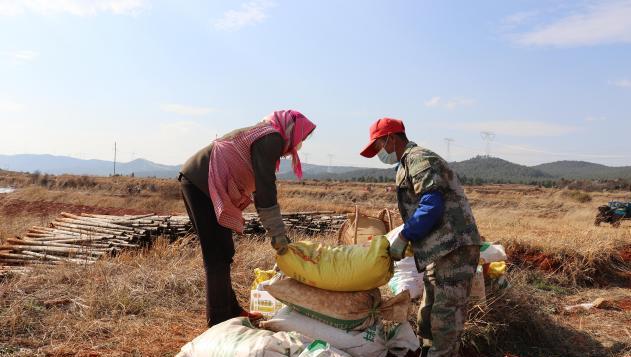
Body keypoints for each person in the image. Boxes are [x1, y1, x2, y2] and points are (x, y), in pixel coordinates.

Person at [179, 110, 315, 328]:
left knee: (224, 251)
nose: (301, 144)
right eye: (302, 137)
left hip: (206, 184)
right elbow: (265, 193)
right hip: (200, 183)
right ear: (292, 129)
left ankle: (230, 309)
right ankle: (219, 320)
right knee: (215, 255)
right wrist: (278, 235)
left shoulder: (268, 136)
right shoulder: (270, 138)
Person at [360, 118, 481, 357]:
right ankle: (427, 350)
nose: (378, 154)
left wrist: (406, 235)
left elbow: (431, 204)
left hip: (454, 247)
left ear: (391, 139)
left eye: (378, 147)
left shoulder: (419, 159)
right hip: (440, 248)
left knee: (446, 314)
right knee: (429, 310)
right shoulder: (407, 163)